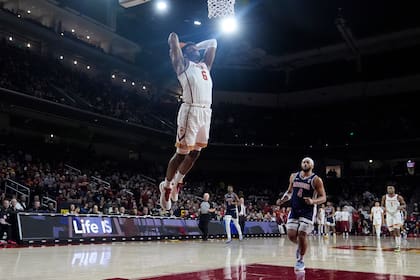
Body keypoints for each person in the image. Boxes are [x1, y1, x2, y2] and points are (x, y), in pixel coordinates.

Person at [159, 32, 218, 211]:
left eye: (197, 50)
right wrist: (182, 45)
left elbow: (213, 42)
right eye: (192, 50)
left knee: (195, 154)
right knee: (182, 154)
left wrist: (194, 46)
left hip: (205, 112)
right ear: (185, 53)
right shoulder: (182, 64)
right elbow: (172, 37)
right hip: (190, 111)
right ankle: (167, 186)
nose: (197, 52)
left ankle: (178, 181)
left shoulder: (205, 66)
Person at [278, 157, 326, 271]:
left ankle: (300, 260)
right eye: (303, 162)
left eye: (307, 162)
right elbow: (289, 192)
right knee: (290, 235)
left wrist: (313, 201)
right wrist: (283, 199)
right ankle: (301, 246)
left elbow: (323, 198)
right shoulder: (293, 176)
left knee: (302, 234)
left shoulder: (316, 180)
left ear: (312, 166)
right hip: (295, 209)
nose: (305, 164)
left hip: (308, 210)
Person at [381, 185, 406, 252]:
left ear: (394, 189)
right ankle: (399, 238)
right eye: (388, 188)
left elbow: (404, 205)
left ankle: (398, 246)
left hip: (396, 214)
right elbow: (382, 206)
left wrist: (400, 207)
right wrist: (384, 209)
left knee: (396, 229)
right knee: (392, 232)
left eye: (391, 188)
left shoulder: (398, 197)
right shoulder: (384, 197)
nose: (390, 189)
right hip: (389, 215)